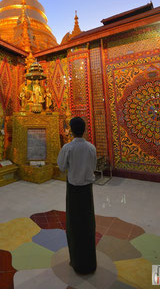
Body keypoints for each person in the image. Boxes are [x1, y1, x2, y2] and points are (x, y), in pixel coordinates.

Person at [57, 116, 97, 274]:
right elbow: (93, 166)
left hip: (73, 190)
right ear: (84, 130)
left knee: (74, 225)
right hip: (87, 190)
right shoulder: (91, 147)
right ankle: (89, 262)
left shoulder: (68, 148)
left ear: (71, 131)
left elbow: (61, 166)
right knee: (87, 223)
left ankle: (76, 261)